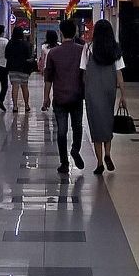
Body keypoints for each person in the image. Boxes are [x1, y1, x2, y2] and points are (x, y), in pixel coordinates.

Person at [80, 19, 127, 175]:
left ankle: (99, 163)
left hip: (93, 90)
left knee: (95, 124)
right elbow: (119, 73)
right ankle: (107, 153)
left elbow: (83, 71)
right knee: (107, 121)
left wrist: (85, 89)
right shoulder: (115, 49)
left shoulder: (88, 48)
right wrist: (123, 95)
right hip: (109, 90)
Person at [43, 20, 85, 174]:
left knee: (61, 130)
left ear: (61, 32)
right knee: (77, 126)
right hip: (77, 95)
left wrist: (46, 98)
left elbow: (48, 78)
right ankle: (75, 149)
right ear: (75, 32)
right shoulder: (82, 51)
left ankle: (64, 163)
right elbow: (86, 74)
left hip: (60, 97)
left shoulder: (53, 53)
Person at [5, 26, 34, 112]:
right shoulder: (25, 44)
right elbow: (28, 56)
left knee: (15, 87)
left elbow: (6, 55)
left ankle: (15, 106)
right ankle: (26, 105)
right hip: (24, 68)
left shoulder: (10, 44)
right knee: (24, 86)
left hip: (12, 68)